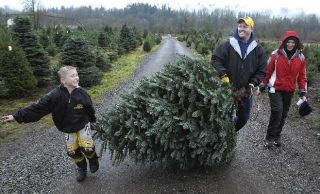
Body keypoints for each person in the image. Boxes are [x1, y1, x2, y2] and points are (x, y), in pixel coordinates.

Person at [2, 66, 99, 182]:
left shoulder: (82, 93)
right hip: (67, 128)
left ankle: (93, 159)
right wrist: (15, 116)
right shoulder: (54, 95)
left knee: (87, 147)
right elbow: (37, 108)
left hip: (83, 124)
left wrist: (93, 121)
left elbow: (90, 109)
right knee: (72, 151)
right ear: (63, 80)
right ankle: (82, 168)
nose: (76, 78)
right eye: (72, 76)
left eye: (76, 75)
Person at [212, 16, 267, 131]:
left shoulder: (258, 50)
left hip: (245, 91)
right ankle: (223, 137)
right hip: (227, 88)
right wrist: (223, 75)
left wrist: (252, 84)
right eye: (239, 26)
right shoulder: (228, 45)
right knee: (224, 116)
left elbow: (262, 71)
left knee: (243, 118)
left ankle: (231, 132)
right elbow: (215, 59)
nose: (241, 29)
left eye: (245, 26)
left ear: (251, 28)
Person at [257, 31, 307, 148]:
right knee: (277, 111)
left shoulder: (300, 57)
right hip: (275, 88)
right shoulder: (276, 55)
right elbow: (267, 71)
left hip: (289, 90)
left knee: (283, 114)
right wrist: (262, 85)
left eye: (293, 42)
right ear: (284, 42)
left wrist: (303, 91)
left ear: (296, 44)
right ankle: (269, 137)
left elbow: (302, 75)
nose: (290, 45)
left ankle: (277, 136)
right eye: (288, 42)